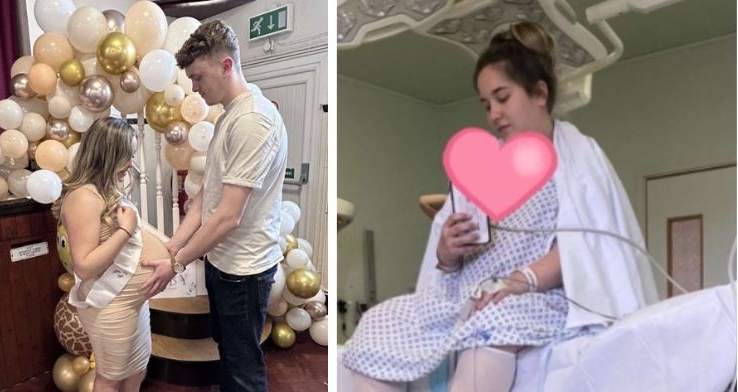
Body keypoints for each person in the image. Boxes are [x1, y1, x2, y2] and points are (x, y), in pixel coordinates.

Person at [342, 21, 657, 392]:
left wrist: (520, 281)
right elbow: (443, 264)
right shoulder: (479, 169)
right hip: (470, 297)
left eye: (502, 98)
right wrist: (448, 252)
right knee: (381, 321)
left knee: (492, 320)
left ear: (539, 93)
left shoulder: (578, 157)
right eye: (486, 103)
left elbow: (586, 244)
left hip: (536, 299)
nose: (493, 114)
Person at [139, 20, 288, 392]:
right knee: (229, 352)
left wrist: (175, 263)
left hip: (245, 270)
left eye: (198, 77)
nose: (193, 88)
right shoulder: (229, 114)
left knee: (243, 368)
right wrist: (173, 245)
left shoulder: (253, 120)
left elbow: (227, 216)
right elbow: (208, 195)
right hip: (224, 263)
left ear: (226, 66)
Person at [52, 117, 166, 392]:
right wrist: (124, 231)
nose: (131, 162)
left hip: (132, 303)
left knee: (136, 370)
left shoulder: (106, 190)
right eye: (126, 155)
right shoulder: (83, 197)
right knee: (109, 379)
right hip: (110, 305)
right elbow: (85, 266)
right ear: (107, 154)